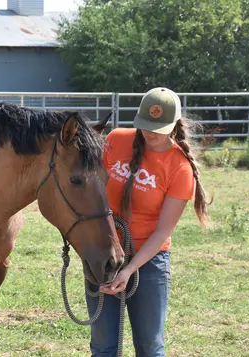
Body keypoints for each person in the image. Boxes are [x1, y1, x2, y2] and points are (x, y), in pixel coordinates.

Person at [86, 87, 210, 357]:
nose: (151, 133)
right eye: (146, 126)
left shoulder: (179, 168)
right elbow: (90, 191)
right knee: (103, 347)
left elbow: (163, 230)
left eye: (159, 128)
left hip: (149, 263)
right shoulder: (117, 140)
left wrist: (129, 270)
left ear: (174, 125)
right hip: (105, 256)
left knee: (149, 347)